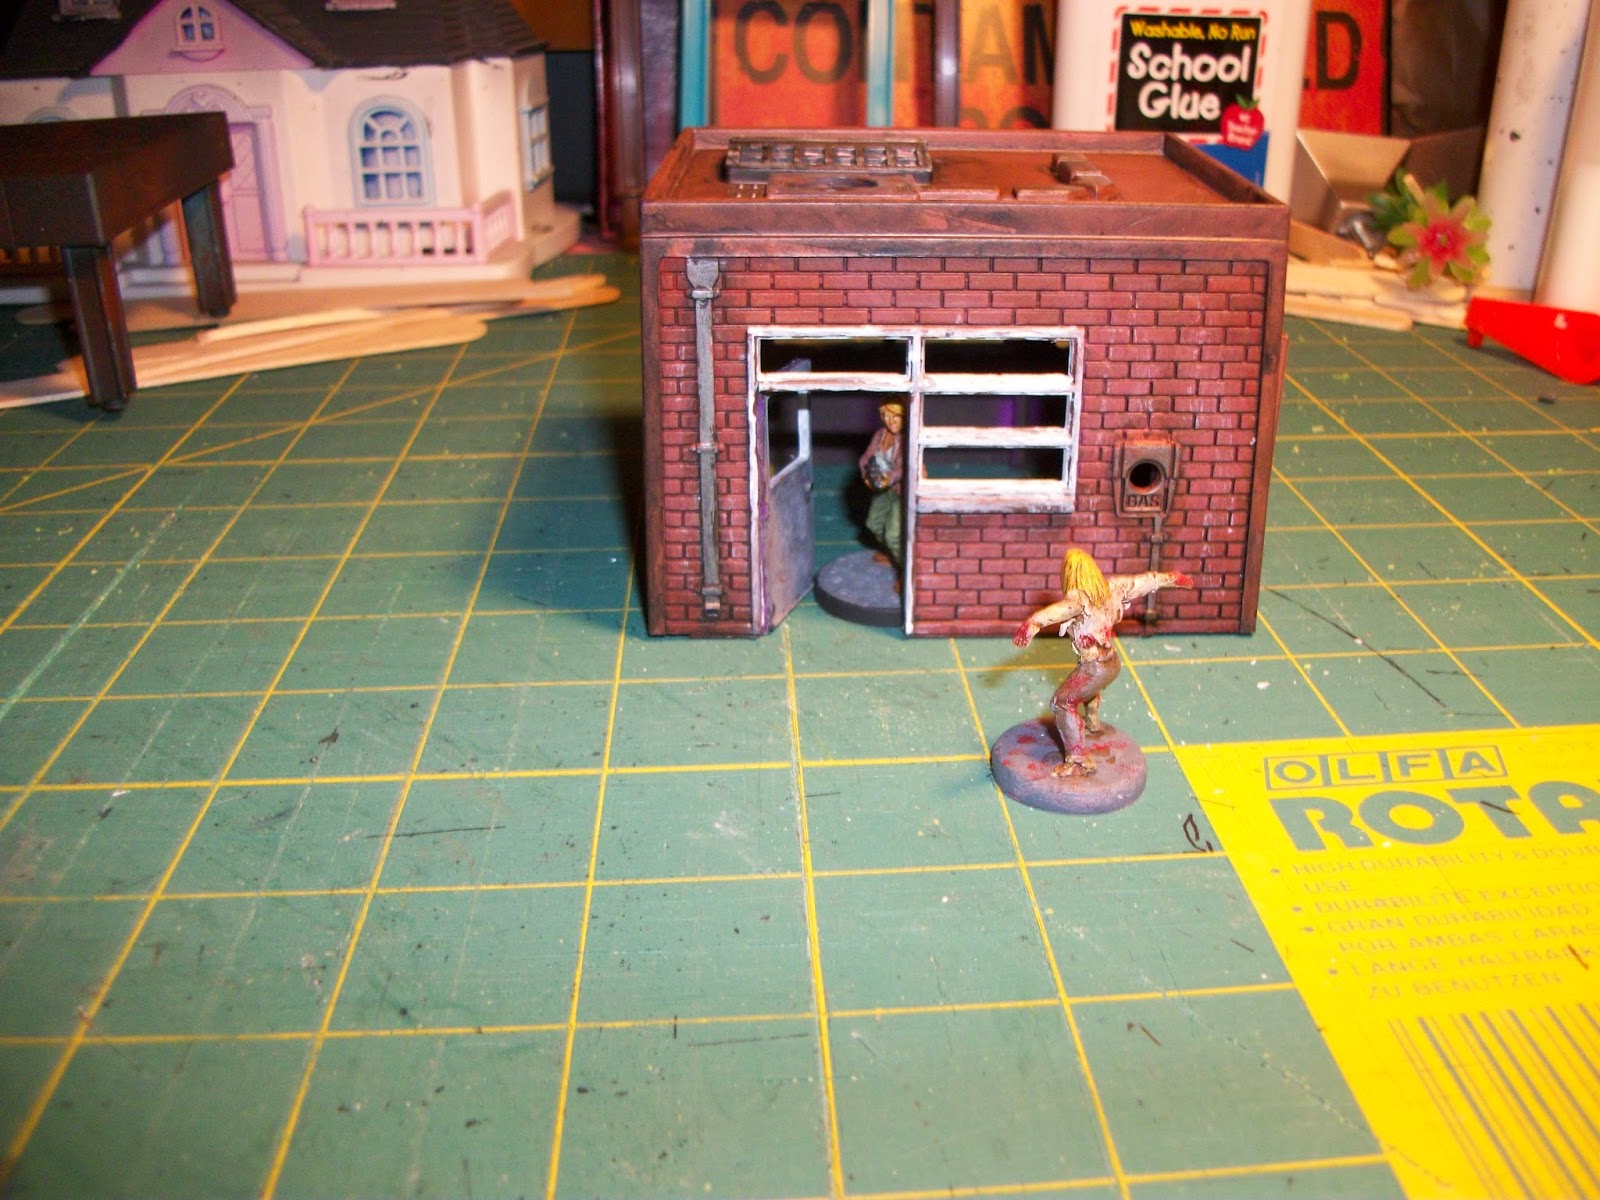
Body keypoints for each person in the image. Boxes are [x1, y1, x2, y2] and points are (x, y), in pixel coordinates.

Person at [1012, 548, 1193, 777]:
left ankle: (1078, 761)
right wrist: (1170, 578)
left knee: (1062, 702)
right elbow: (1145, 582)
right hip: (1112, 662)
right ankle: (1092, 723)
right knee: (1087, 687)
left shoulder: (1079, 600)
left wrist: (1032, 624)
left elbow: (1058, 611)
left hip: (1095, 667)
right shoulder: (1114, 588)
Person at [859, 401, 905, 568]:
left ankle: (905, 569)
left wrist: (889, 478)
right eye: (886, 416)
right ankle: (892, 554)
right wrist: (866, 475)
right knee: (873, 524)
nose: (890, 421)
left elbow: (904, 467)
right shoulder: (881, 435)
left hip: (903, 492)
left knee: (893, 535)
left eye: (895, 416)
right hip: (884, 489)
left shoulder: (907, 439)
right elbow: (866, 458)